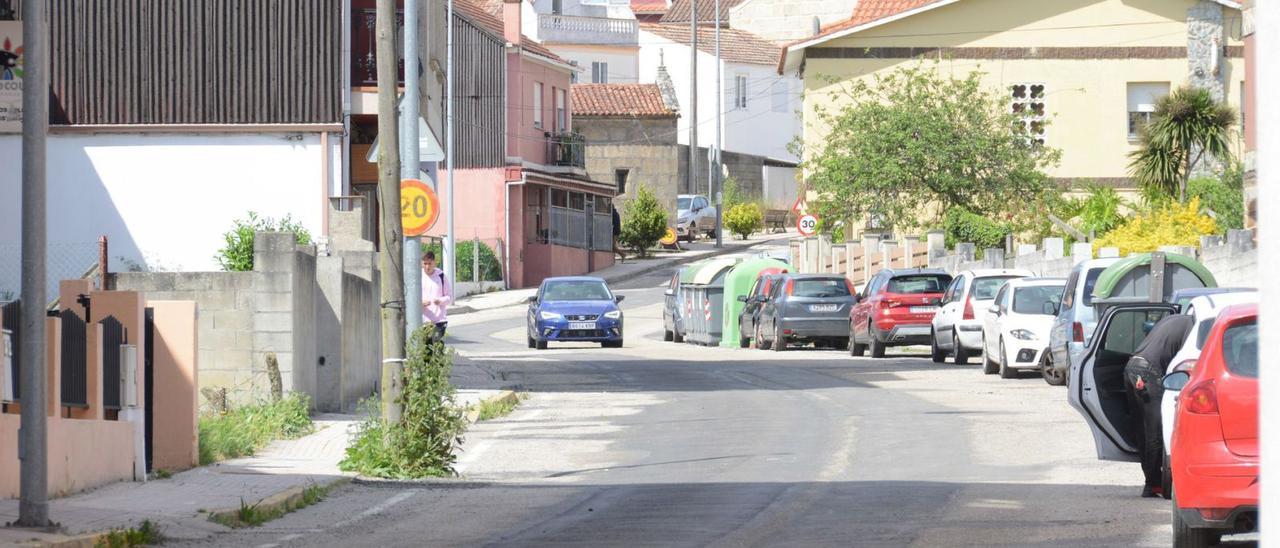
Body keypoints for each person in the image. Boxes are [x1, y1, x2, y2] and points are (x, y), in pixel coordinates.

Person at [1124, 313, 1194, 498]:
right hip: (1148, 372)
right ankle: (1153, 484)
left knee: (1142, 431)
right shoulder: (1192, 326)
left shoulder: (1171, 319)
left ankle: (1150, 482)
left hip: (1131, 367)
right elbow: (1187, 359)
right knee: (1154, 432)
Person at [421, 250, 451, 342]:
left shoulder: (441, 275)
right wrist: (420, 303)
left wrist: (440, 301)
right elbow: (410, 298)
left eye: (430, 263)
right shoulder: (418, 276)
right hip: (423, 321)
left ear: (434, 262)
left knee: (437, 348)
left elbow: (449, 297)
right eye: (425, 264)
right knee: (426, 352)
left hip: (439, 320)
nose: (427, 266)